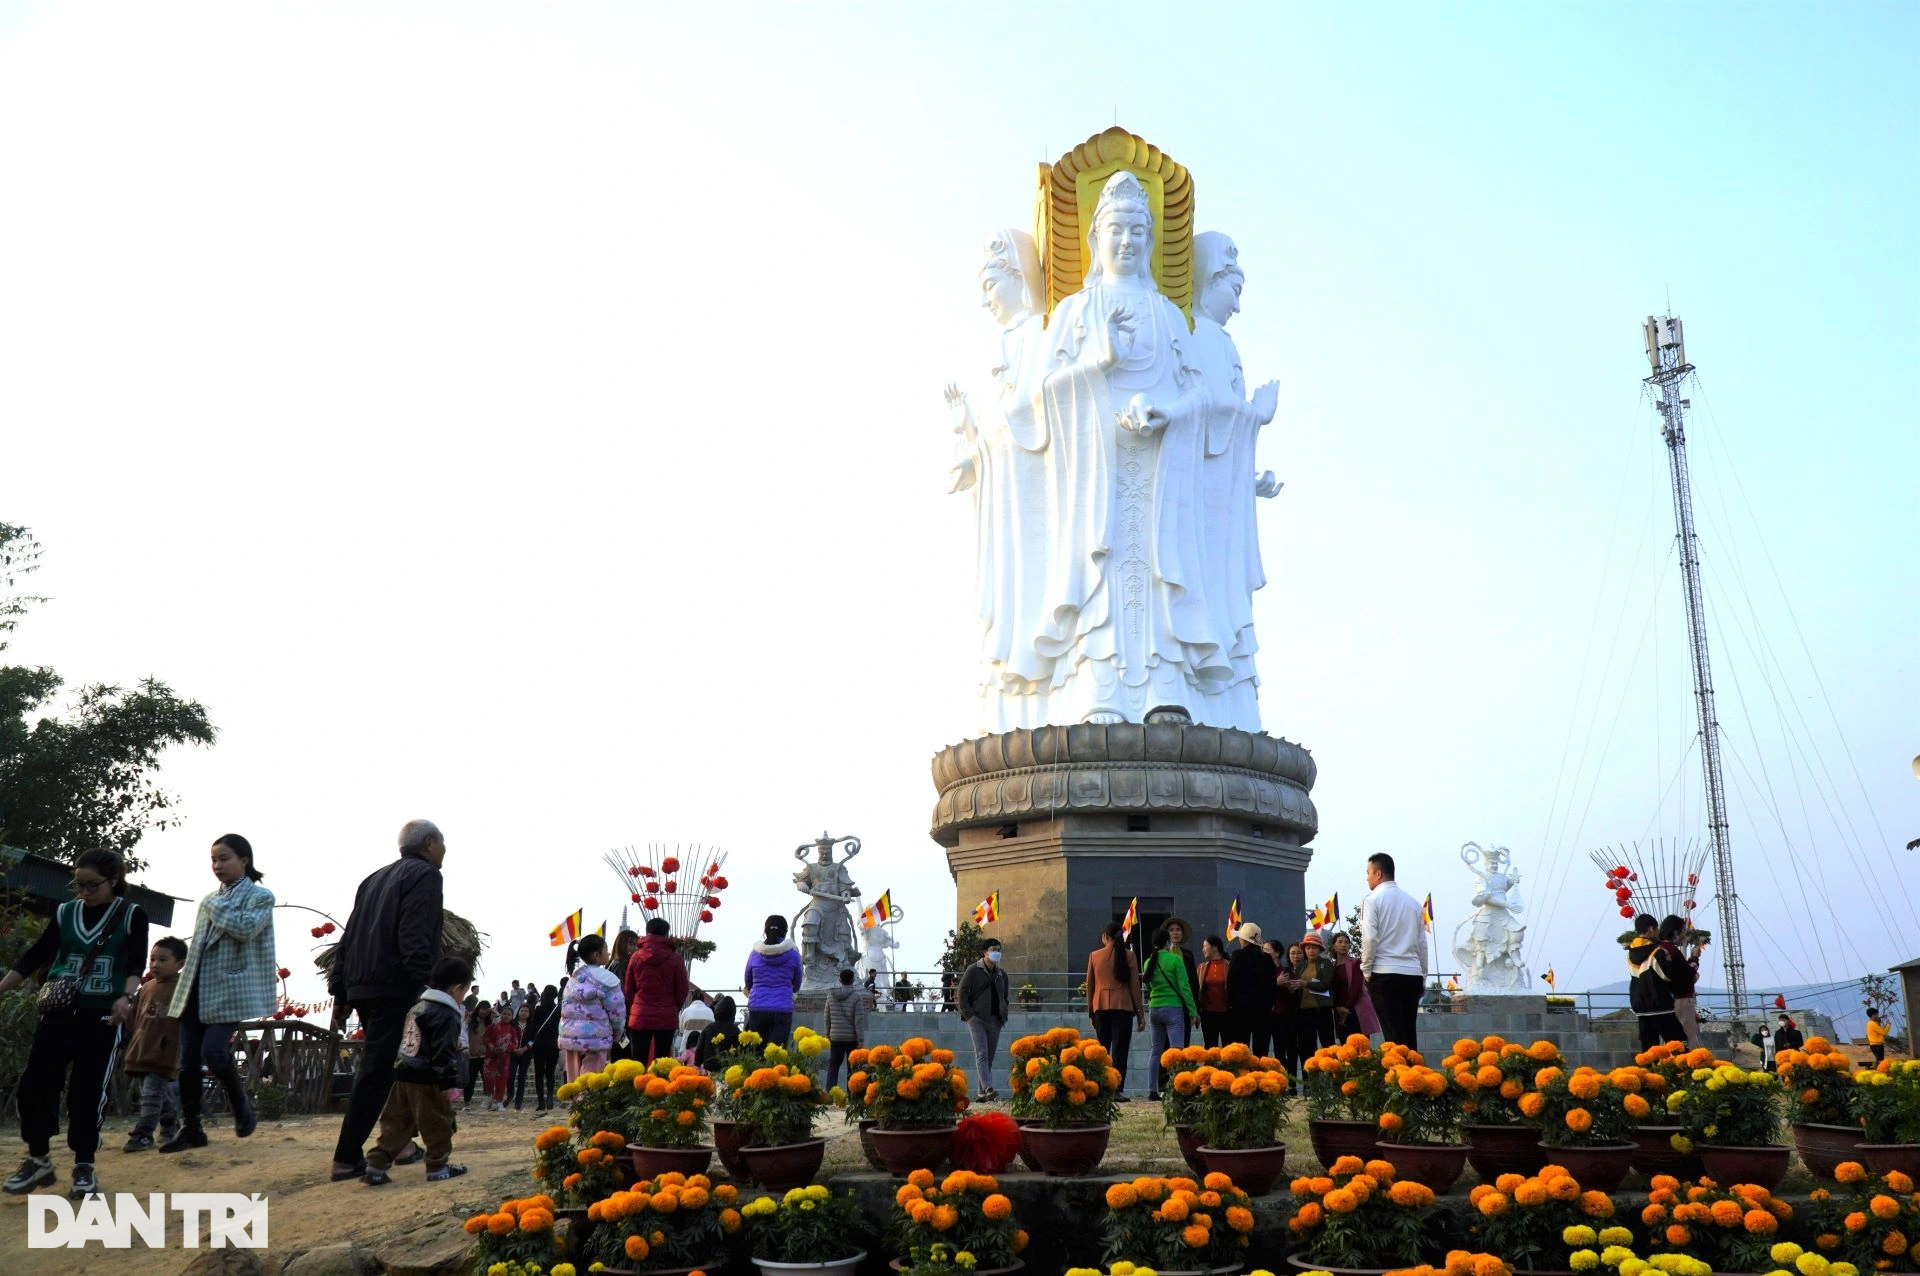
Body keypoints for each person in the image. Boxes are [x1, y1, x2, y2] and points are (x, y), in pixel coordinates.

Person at [0, 849, 149, 1200]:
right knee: (36, 1084)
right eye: (78, 885)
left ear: (113, 880)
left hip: (101, 1015)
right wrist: (3, 987)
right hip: (59, 1010)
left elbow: (136, 963)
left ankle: (84, 1165)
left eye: (92, 885)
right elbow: (37, 953)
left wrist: (125, 997)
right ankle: (38, 1159)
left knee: (87, 1090)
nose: (83, 892)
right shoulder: (66, 913)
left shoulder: (131, 915)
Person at [328, 819, 448, 1183]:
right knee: (378, 1071)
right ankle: (347, 1158)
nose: (444, 852)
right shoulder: (426, 875)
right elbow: (415, 934)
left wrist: (340, 990)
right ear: (429, 843)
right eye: (442, 844)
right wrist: (420, 988)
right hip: (394, 985)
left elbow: (347, 940)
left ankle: (402, 1144)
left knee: (399, 1066)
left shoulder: (373, 879)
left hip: (363, 985)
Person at [163, 834, 277, 1152]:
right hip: (195, 986)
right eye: (214, 859)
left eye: (224, 858)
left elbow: (244, 930)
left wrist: (214, 904)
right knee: (187, 1064)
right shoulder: (212, 900)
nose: (217, 865)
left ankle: (241, 1102)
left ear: (244, 860)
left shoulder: (260, 896)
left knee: (214, 1051)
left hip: (228, 988)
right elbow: (199, 946)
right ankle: (192, 1128)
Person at [362, 955, 471, 1184]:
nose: (463, 998)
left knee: (396, 1122)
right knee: (438, 1123)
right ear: (457, 989)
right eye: (464, 992)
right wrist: (448, 1082)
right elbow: (444, 1053)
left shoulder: (417, 1007)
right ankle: (437, 1167)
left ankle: (376, 1165)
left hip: (404, 1074)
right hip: (429, 1078)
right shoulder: (448, 1013)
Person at [121, 936, 188, 1152]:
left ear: (180, 964)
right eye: (152, 959)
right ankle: (170, 1121)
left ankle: (143, 1134)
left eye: (162, 960)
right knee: (151, 1093)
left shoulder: (184, 990)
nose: (155, 964)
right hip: (140, 1049)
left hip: (164, 1052)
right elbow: (133, 1018)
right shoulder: (146, 987)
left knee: (150, 1094)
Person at [1360, 853, 1427, 1051]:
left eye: (1368, 873)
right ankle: (1416, 1078)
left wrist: (1366, 970)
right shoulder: (1414, 904)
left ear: (1378, 873)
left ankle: (1400, 1080)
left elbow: (1370, 938)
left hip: (1384, 973)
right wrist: (1423, 976)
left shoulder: (1372, 900)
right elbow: (1422, 944)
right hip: (1412, 974)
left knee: (1393, 1037)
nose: (1367, 878)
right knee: (1408, 1035)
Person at [1085, 922, 1144, 1099]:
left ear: (1105, 937)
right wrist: (1140, 1013)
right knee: (1121, 1050)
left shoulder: (1095, 956)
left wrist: (1091, 1010)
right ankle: (1116, 1089)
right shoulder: (1130, 955)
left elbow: (1090, 986)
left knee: (1102, 1050)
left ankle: (1099, 1088)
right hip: (1123, 1007)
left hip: (1101, 1007)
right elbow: (1135, 986)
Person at [558, 933, 625, 1080]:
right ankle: (585, 1102)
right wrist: (617, 1033)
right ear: (596, 955)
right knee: (591, 1080)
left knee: (573, 1081)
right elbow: (617, 1012)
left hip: (570, 1037)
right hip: (596, 1038)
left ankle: (573, 1102)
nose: (608, 953)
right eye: (606, 949)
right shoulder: (608, 979)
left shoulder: (573, 979)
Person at [1143, 923, 1198, 1100]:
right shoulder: (1176, 960)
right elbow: (1185, 987)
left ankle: (1152, 1090)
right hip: (1173, 1008)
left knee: (1155, 1051)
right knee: (1177, 1050)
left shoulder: (1147, 962)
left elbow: (1148, 985)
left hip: (1154, 1008)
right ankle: (1178, 1088)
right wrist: (1193, 1011)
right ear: (1167, 941)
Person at [625, 918, 690, 1064]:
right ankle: (659, 1086)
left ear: (647, 933)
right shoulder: (676, 959)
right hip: (666, 1014)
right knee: (662, 1063)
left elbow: (629, 988)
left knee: (637, 1061)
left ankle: (637, 1087)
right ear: (667, 934)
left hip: (640, 1014)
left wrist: (634, 1006)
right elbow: (683, 989)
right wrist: (674, 1007)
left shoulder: (635, 958)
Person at [959, 937, 1009, 1101]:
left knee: (990, 1056)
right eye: (993, 949)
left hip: (996, 1020)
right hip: (977, 1019)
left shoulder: (1002, 974)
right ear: (985, 952)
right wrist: (969, 1016)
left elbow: (1005, 996)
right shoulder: (973, 970)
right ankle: (988, 1087)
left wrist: (1004, 1013)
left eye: (999, 950)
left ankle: (981, 1093)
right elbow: (962, 992)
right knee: (982, 1054)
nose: (997, 953)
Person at [1627, 913, 1684, 1048]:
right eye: (1657, 929)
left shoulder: (1631, 953)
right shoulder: (1656, 951)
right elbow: (1667, 975)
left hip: (1640, 1004)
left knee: (1649, 1051)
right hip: (1660, 1004)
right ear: (1651, 929)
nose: (1658, 932)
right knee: (1677, 1046)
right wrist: (1670, 961)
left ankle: (1649, 1069)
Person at [742, 915, 803, 1043]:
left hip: (757, 1006)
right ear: (785, 931)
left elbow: (748, 980)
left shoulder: (755, 953)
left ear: (765, 931)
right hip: (783, 1007)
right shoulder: (793, 953)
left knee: (757, 1051)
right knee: (777, 1053)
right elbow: (797, 983)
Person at [1226, 923, 1277, 1056]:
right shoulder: (1267, 958)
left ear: (1244, 940)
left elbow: (1231, 982)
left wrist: (1231, 1004)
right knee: (1261, 1050)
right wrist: (1269, 1004)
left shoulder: (1237, 955)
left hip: (1240, 1010)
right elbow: (1272, 985)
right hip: (1263, 1011)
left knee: (1242, 1050)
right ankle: (1261, 1076)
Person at [1657, 916, 1703, 1047]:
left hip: (1666, 1000)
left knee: (1671, 1041)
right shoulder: (1672, 950)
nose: (1684, 935)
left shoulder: (1659, 948)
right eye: (1683, 931)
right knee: (1687, 1040)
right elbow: (1687, 976)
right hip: (1681, 999)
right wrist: (1694, 958)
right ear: (1675, 932)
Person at [1328, 931, 1381, 1042]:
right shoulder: (1331, 967)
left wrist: (1345, 1010)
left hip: (1355, 1010)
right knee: (1345, 1046)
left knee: (1361, 1045)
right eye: (1340, 942)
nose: (1343, 945)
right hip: (1339, 1010)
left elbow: (1356, 987)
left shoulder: (1356, 963)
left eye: (1346, 942)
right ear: (1334, 946)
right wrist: (1337, 1008)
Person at [1294, 931, 1338, 1062]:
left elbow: (1325, 985)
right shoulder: (1300, 966)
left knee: (1328, 1045)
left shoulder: (1326, 963)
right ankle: (1310, 1081)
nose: (1310, 950)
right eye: (1307, 947)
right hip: (1304, 1011)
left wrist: (1306, 983)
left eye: (1314, 947)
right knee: (1306, 1046)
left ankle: (1334, 1078)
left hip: (1322, 1010)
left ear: (1320, 949)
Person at [824, 968, 870, 1090]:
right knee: (853, 1067)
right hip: (851, 1038)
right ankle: (852, 1094)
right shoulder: (856, 997)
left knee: (833, 1066)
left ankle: (830, 1092)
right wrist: (860, 1039)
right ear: (853, 980)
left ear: (839, 980)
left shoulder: (831, 995)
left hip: (835, 1037)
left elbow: (827, 1017)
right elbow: (858, 1020)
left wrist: (827, 1033)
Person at [605, 929, 641, 1059]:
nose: (634, 948)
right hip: (623, 1015)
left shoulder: (611, 964)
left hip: (614, 1015)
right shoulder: (622, 964)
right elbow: (624, 992)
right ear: (622, 944)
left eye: (636, 945)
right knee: (625, 1054)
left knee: (619, 1053)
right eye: (630, 944)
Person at [1269, 941, 1302, 1081]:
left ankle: (1293, 1082)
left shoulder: (1286, 971)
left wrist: (1291, 988)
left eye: (1268, 950)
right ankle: (1281, 1081)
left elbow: (1292, 994)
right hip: (1272, 1016)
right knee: (1279, 1051)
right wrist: (1275, 983)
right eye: (1292, 953)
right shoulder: (1264, 971)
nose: (1264, 953)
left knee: (1292, 1050)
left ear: (1277, 953)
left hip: (1288, 1015)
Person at [528, 985, 562, 1112]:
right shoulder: (558, 1010)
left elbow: (533, 1028)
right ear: (555, 995)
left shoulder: (538, 1010)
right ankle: (550, 1099)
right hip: (553, 1045)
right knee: (550, 1073)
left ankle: (541, 1101)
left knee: (539, 1073)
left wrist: (530, 1043)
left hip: (539, 1045)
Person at [1196, 936, 1231, 1048]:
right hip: (1207, 1014)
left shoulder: (1229, 965)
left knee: (1228, 1048)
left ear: (1214, 947)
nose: (1203, 949)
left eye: (1205, 946)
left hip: (1227, 1013)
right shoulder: (1201, 967)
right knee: (1210, 1048)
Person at [507, 1003, 535, 1109]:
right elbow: (507, 1038)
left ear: (529, 1014)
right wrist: (513, 1049)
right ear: (518, 1012)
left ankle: (518, 1102)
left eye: (526, 1011)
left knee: (522, 1078)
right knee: (510, 1077)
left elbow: (533, 1040)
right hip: (512, 1054)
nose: (523, 1012)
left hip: (525, 1054)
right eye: (522, 1010)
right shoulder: (512, 1024)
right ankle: (510, 1095)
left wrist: (524, 1049)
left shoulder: (532, 1025)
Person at [699, 995, 737, 1072]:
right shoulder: (735, 1030)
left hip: (709, 1066)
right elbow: (739, 1051)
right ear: (733, 1013)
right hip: (728, 1067)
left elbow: (700, 1048)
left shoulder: (708, 1028)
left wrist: (698, 1062)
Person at [463, 1005, 488, 1109]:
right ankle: (467, 1103)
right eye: (482, 1008)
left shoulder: (490, 1022)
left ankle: (488, 1101)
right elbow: (462, 1032)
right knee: (470, 1081)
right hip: (472, 1056)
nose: (484, 1011)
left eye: (486, 1009)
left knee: (487, 1080)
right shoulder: (470, 1021)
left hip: (485, 1056)